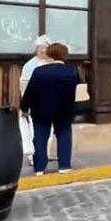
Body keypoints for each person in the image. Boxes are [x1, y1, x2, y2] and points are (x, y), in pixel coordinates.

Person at [21, 43, 80, 176]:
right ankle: (64, 165)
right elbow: (78, 90)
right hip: (64, 110)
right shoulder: (71, 71)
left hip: (40, 110)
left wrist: (24, 107)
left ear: (49, 54)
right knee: (64, 136)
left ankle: (39, 168)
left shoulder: (39, 71)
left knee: (40, 138)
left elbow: (30, 92)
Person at [19, 35, 53, 167]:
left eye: (46, 48)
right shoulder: (30, 65)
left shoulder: (52, 63)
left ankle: (46, 153)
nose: (43, 51)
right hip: (35, 102)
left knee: (48, 131)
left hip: (50, 102)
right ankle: (34, 155)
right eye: (41, 48)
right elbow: (24, 85)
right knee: (34, 130)